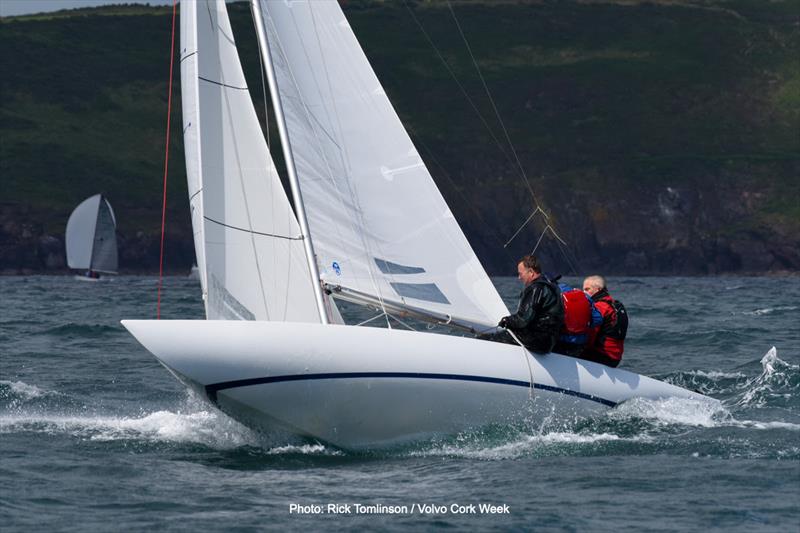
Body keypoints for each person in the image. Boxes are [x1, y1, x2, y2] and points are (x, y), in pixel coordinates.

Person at [479, 255, 564, 354]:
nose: (519, 278)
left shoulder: (535, 288)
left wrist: (507, 320)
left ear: (531, 272)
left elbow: (523, 320)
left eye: (520, 274)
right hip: (549, 341)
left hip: (537, 340)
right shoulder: (550, 286)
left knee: (488, 339)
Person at [580, 275, 627, 367]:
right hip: (616, 357)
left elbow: (592, 334)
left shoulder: (600, 307)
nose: (583, 292)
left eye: (587, 289)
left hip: (602, 356)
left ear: (598, 289)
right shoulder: (616, 304)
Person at [553, 281, 602, 357]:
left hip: (561, 342)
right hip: (580, 343)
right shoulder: (584, 296)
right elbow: (598, 320)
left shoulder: (554, 296)